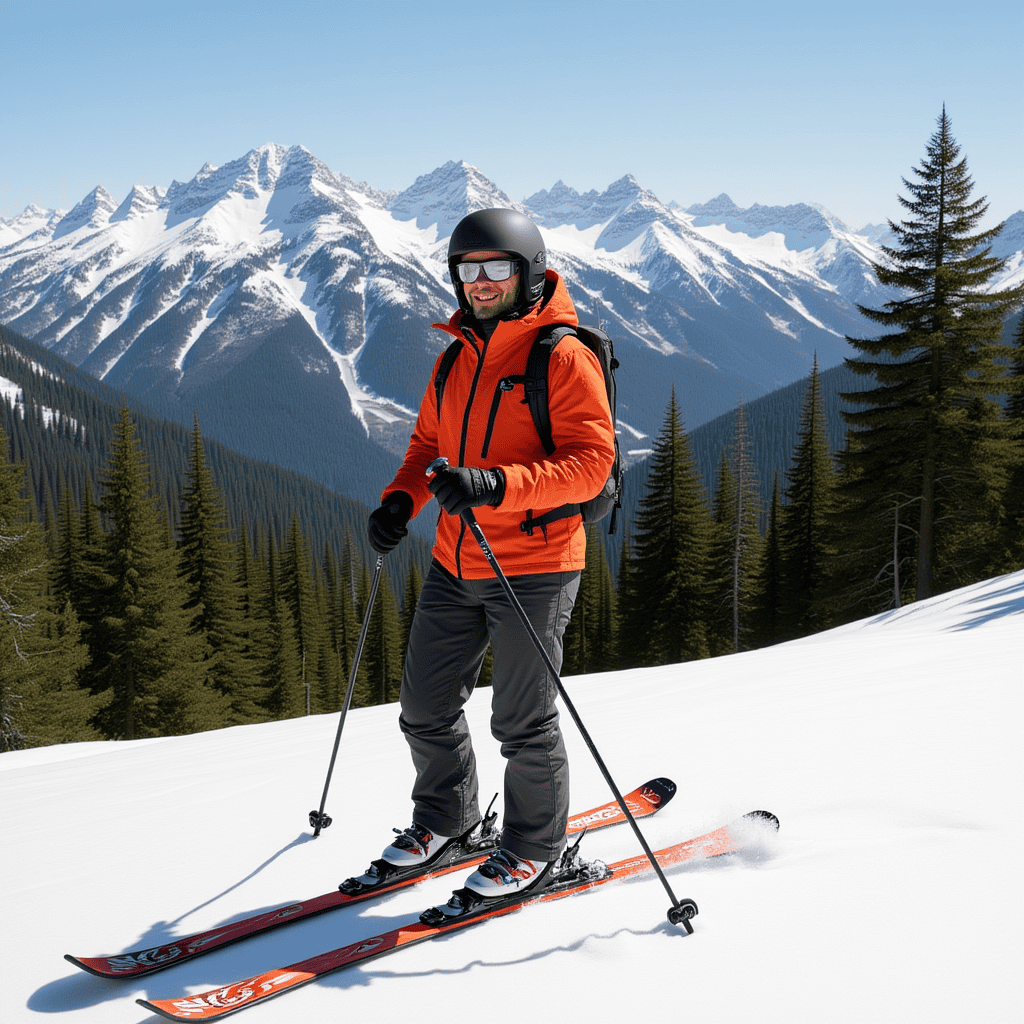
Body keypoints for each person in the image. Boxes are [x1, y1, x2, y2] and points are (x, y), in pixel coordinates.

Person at [357, 208, 615, 901]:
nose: (480, 282)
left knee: (522, 720)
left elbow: (593, 464)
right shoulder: (456, 355)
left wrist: (497, 486)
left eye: (496, 267)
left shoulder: (561, 354)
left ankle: (536, 849)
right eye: (468, 270)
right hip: (456, 558)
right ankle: (447, 819)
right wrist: (399, 502)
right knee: (423, 705)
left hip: (536, 564)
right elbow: (423, 451)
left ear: (527, 273)